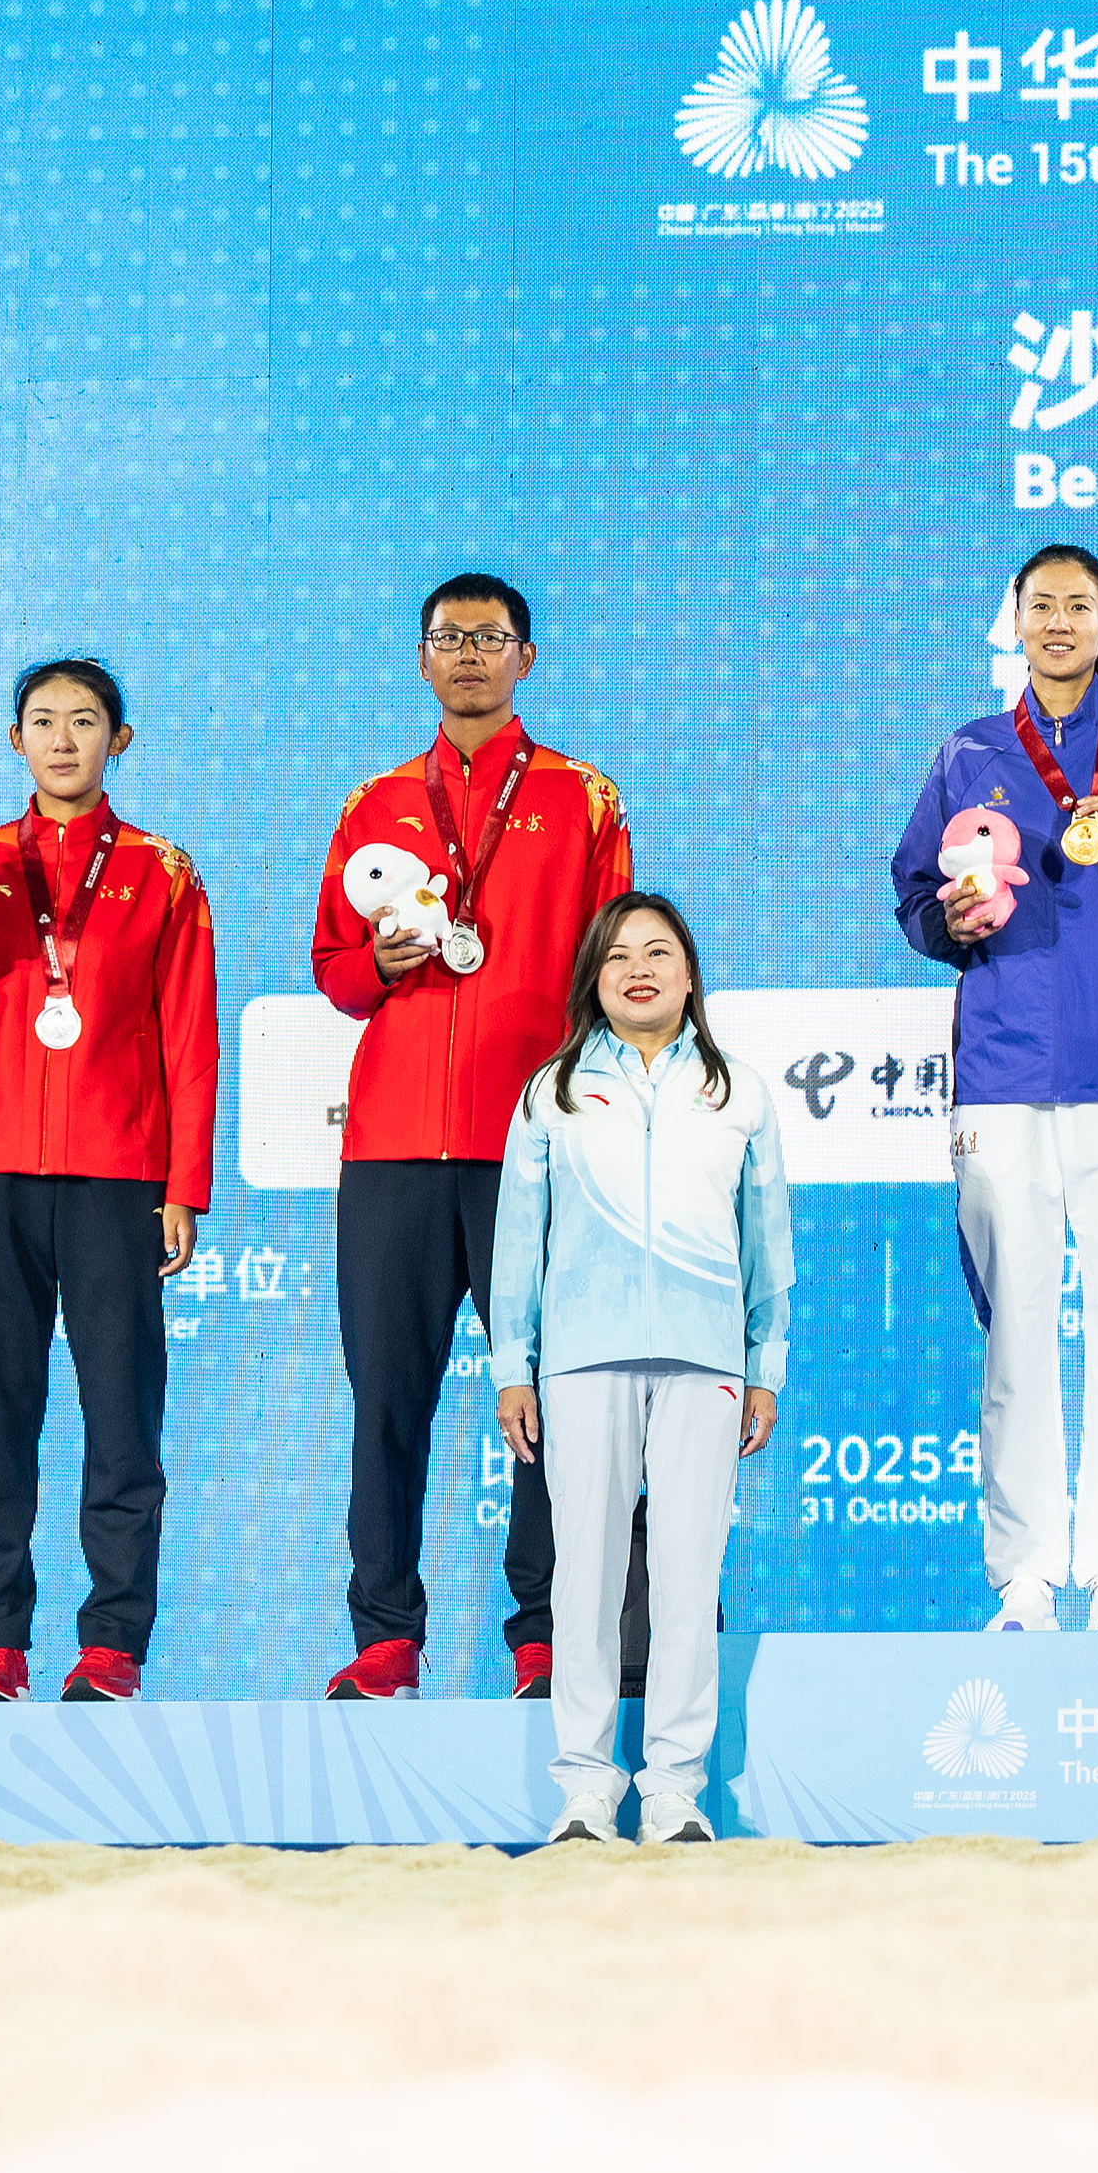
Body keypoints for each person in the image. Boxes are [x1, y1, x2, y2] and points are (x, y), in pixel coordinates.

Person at [892, 545, 1098, 1635]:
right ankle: (1026, 1579)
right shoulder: (970, 752)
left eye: (1081, 606)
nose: (1060, 623)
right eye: (1041, 607)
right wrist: (953, 921)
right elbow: (914, 902)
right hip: (1001, 1072)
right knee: (1017, 1333)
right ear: (1015, 623)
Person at [317, 574, 634, 1701]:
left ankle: (542, 1634)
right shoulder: (375, 802)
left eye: (489, 640)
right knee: (386, 1399)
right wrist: (382, 964)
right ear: (420, 660)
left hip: (533, 1144)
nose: (468, 657)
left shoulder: (582, 799)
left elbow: (616, 977)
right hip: (394, 1143)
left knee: (544, 1393)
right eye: (448, 639)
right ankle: (386, 1638)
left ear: (526, 659)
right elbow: (334, 971)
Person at [0, 659, 220, 1704]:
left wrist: (183, 1185)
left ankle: (112, 1647)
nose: (62, 740)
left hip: (114, 1175)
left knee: (121, 1418)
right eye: (42, 723)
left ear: (118, 742)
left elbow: (188, 1038)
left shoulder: (163, 872)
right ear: (14, 742)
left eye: (84, 723)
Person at [490, 895, 789, 1843]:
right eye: (619, 956)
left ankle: (672, 1792)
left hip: (706, 1359)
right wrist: (514, 1363)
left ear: (691, 975)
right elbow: (518, 1243)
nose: (640, 969)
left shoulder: (735, 1090)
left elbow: (766, 1241)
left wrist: (764, 1363)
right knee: (583, 1573)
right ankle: (585, 1790)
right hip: (581, 1360)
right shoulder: (555, 1090)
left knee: (688, 1575)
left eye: (659, 952)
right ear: (596, 978)